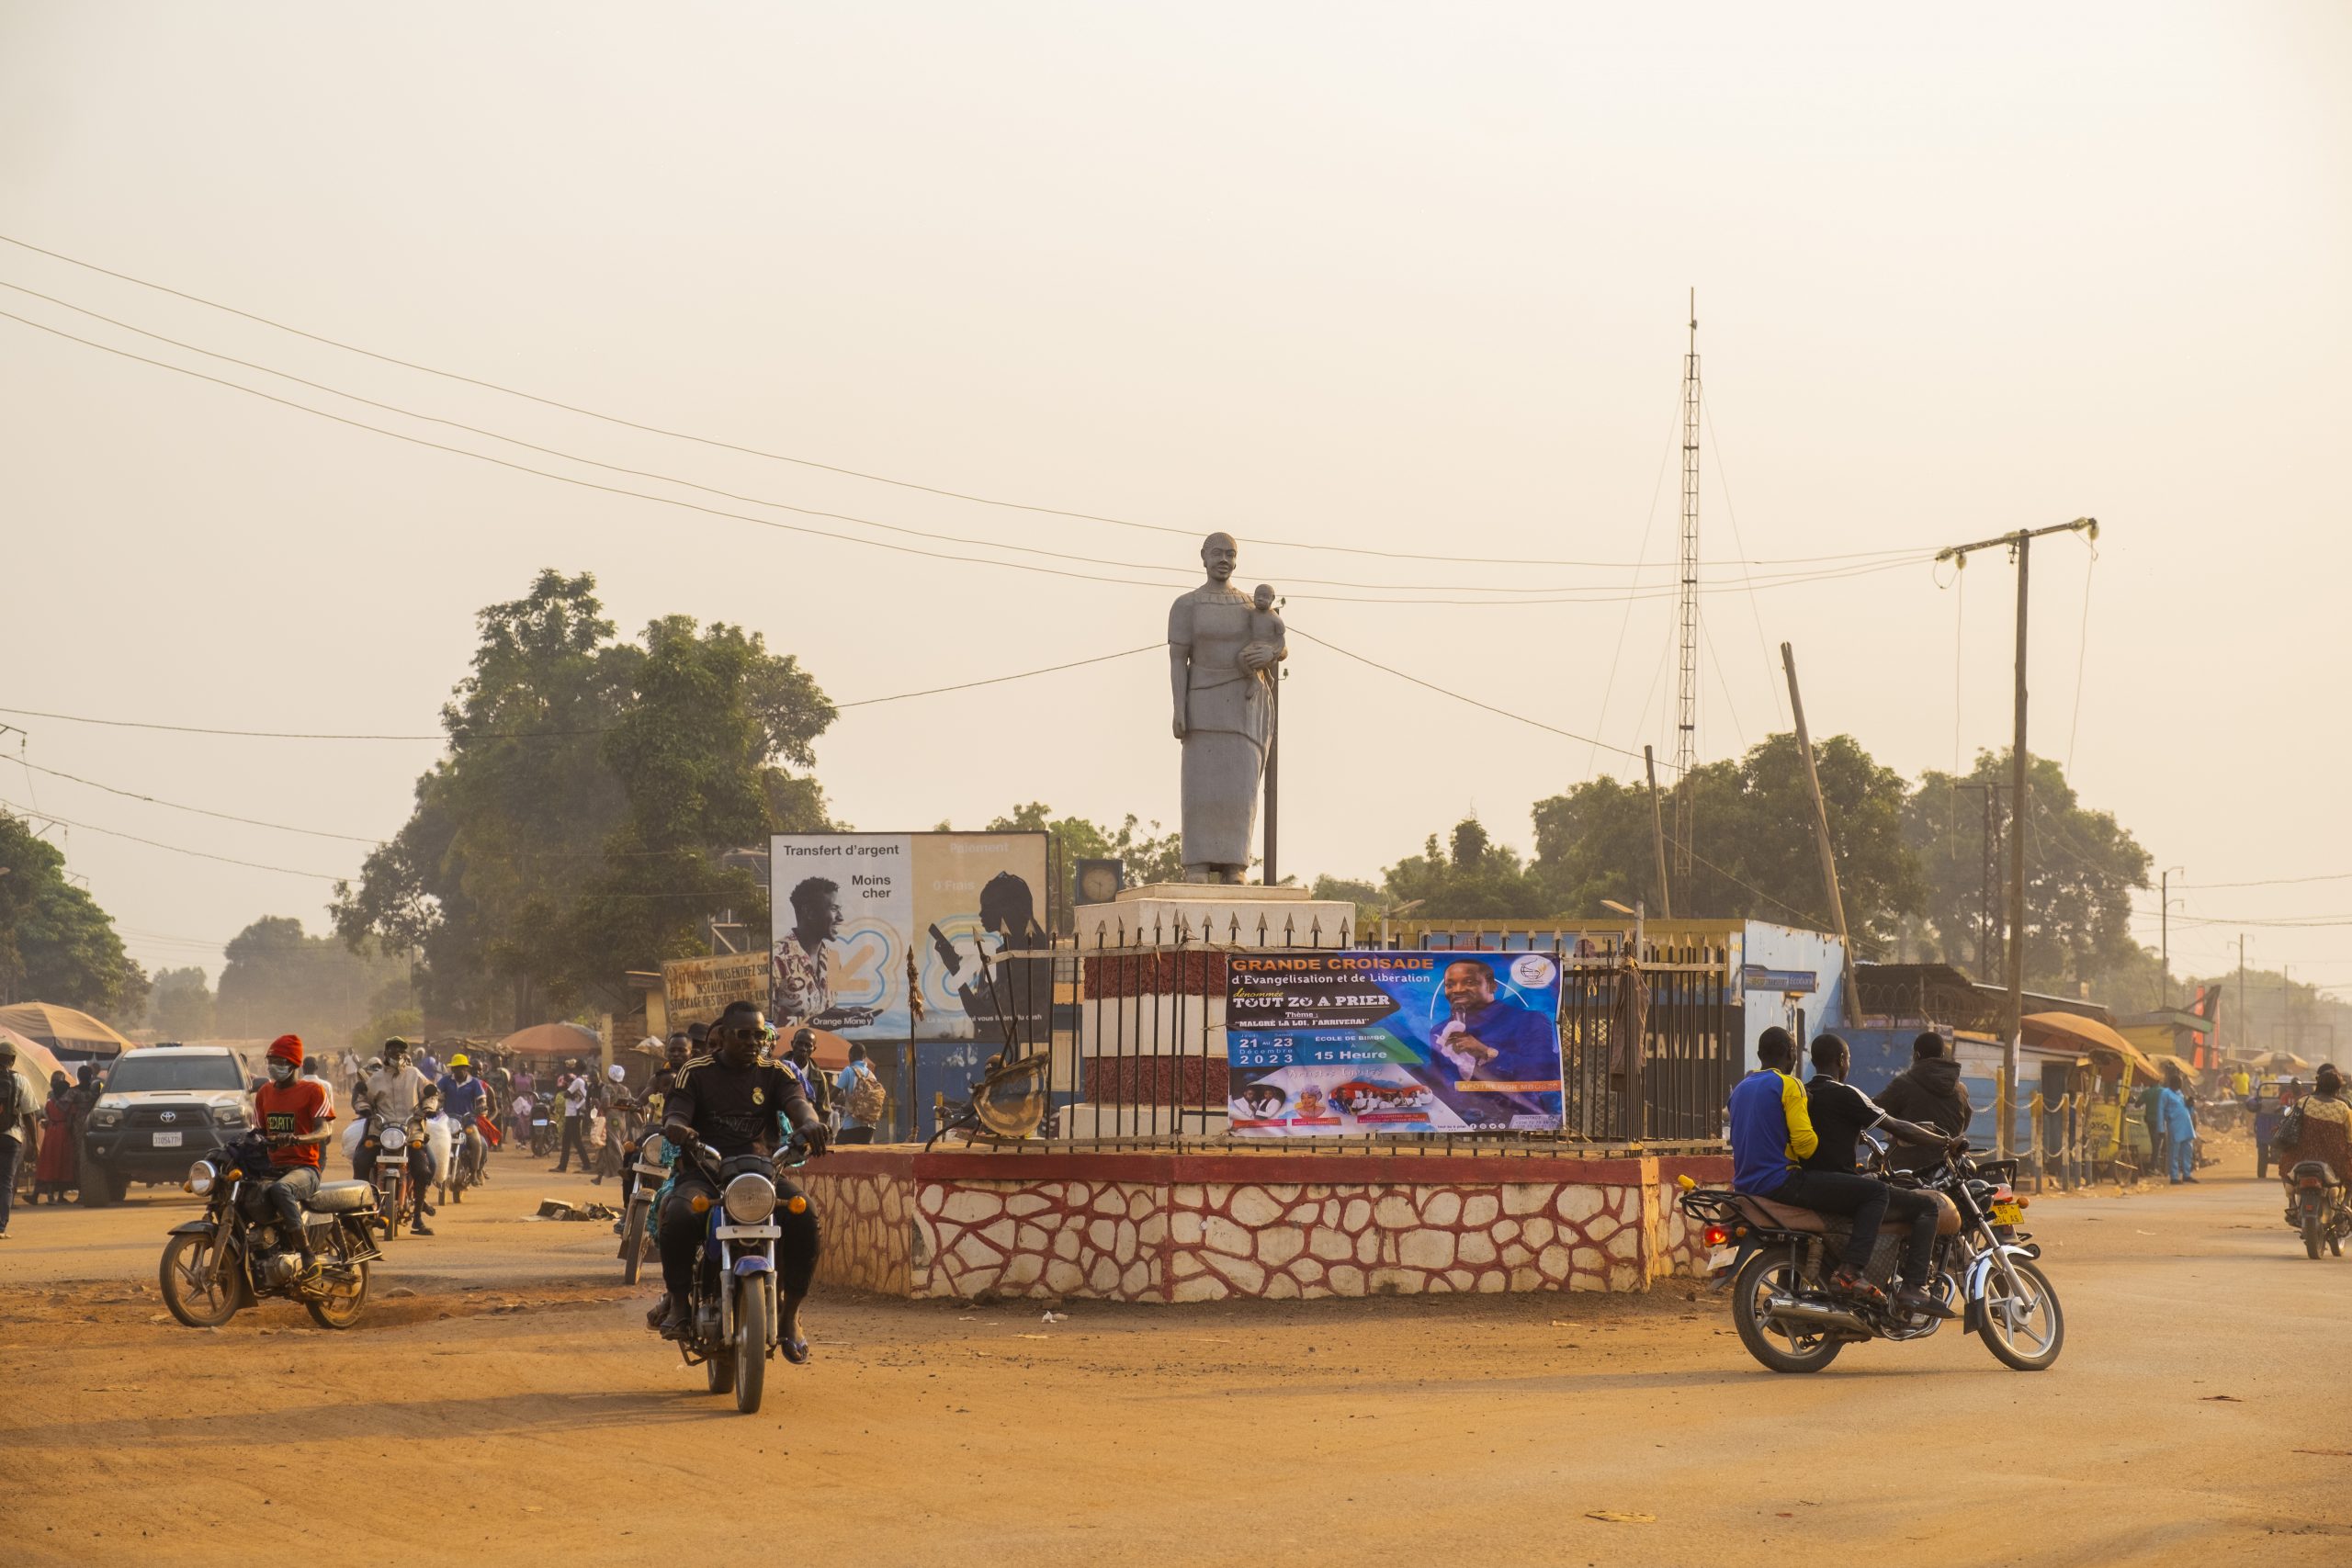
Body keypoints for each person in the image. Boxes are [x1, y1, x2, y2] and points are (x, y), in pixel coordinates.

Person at [1728, 1028, 1958, 1318]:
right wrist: (1947, 1142)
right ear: (1841, 1060)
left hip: (1747, 1182)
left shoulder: (1743, 1089)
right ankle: (1892, 1281)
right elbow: (1810, 1142)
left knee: (1867, 1186)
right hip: (1786, 1181)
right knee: (1915, 1203)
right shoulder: (1797, 1088)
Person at [654, 1000, 828, 1354]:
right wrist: (678, 1127)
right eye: (744, 1035)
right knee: (678, 1213)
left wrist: (809, 1124)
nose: (753, 1042)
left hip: (760, 1172)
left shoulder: (776, 1071)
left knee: (805, 1214)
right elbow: (676, 1113)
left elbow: (798, 1104)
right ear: (724, 1036)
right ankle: (679, 1302)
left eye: (759, 1035)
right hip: (707, 1171)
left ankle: (790, 1314)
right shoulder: (696, 1071)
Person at [252, 1034, 335, 1280]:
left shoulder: (313, 1090)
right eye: (270, 1061)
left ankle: (306, 1252)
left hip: (305, 1168)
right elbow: (258, 1131)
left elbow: (324, 1130)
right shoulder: (264, 1092)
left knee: (281, 1190)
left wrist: (297, 1139)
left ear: (293, 1064)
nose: (272, 1066)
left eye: (278, 1061)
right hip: (272, 1165)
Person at [773, 877, 880, 1031]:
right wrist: (820, 1022)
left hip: (821, 1052)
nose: (841, 918)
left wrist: (847, 1015)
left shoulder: (831, 960)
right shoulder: (776, 960)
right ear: (809, 912)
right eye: (834, 909)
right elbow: (762, 1027)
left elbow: (824, 1014)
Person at [356, 1039, 435, 1235]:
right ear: (385, 1052)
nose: (397, 1052)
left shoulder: (415, 1074)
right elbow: (363, 1098)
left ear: (404, 1054)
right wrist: (365, 1109)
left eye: (401, 1050)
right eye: (393, 1049)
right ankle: (362, 1212)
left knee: (424, 1170)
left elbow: (431, 1094)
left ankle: (417, 1217)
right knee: (361, 1162)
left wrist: (428, 1108)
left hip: (410, 1130)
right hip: (381, 1130)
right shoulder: (375, 1078)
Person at [1875, 1032, 1974, 1172]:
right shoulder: (1961, 1089)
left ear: (1916, 1056)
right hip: (1950, 1169)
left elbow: (1874, 1112)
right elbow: (1964, 1125)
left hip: (1908, 1171)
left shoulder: (1903, 1084)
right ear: (1942, 1056)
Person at [2275, 1064, 2352, 1213]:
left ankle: (2291, 1202)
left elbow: (2289, 1123)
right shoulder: (2344, 1108)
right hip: (2334, 1159)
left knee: (2285, 1167)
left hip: (2301, 1155)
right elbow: (2350, 1139)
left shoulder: (2304, 1102)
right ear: (2338, 1087)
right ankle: (2345, 1203)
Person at [0, 1037, 40, 1239]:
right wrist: (35, 1142)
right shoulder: (20, 1080)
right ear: (13, 1060)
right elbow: (29, 1114)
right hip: (11, 1137)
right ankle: (1, 1227)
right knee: (6, 1182)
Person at [436, 1054, 492, 1191]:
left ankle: (474, 1173)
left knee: (477, 1142)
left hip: (468, 1122)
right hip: (448, 1121)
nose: (458, 1071)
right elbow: (435, 1093)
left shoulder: (474, 1083)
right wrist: (433, 1102)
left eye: (461, 1068)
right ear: (452, 1069)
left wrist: (481, 1107)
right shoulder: (446, 1081)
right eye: (456, 1068)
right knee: (434, 1141)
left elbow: (482, 1100)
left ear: (466, 1069)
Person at [32, 1072, 77, 1203]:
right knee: (62, 1164)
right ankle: (59, 1196)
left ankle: (49, 1195)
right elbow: (70, 1120)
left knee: (49, 1163)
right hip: (64, 1134)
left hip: (51, 1133)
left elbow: (44, 1115)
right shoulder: (69, 1102)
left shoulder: (50, 1102)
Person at [833, 1043, 885, 1145]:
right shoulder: (872, 1076)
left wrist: (820, 1107)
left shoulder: (848, 1071)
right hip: (869, 1127)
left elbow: (834, 1094)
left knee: (840, 1153)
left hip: (851, 1126)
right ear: (864, 1057)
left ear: (850, 1055)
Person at [784, 1029, 832, 1125]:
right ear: (792, 1044)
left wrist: (812, 1129)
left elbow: (823, 1112)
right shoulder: (779, 1069)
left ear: (814, 1049)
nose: (803, 1048)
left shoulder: (820, 1077)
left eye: (808, 1045)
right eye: (799, 1043)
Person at [2154, 1077, 2197, 1183]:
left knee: (2187, 1150)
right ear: (2173, 1083)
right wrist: (2161, 1128)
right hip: (2175, 1125)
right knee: (2174, 1152)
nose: (2180, 1085)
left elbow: (2187, 1110)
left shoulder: (2180, 1094)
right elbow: (2160, 1110)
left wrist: (2190, 1105)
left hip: (2186, 1125)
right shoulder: (2165, 1093)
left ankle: (2187, 1174)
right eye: (2178, 1082)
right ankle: (2174, 1176)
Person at [554, 1060, 592, 1173]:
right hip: (573, 1113)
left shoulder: (577, 1081)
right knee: (567, 1140)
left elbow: (566, 1094)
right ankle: (562, 1166)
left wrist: (569, 1089)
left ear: (576, 1068)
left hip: (573, 1113)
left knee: (576, 1141)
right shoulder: (583, 1081)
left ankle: (586, 1165)